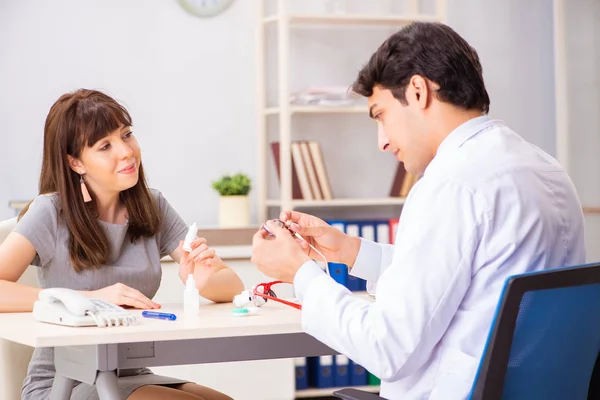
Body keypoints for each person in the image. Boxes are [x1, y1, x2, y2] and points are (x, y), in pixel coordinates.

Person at [251, 22, 586, 400]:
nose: (382, 141)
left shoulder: (450, 184)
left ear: (417, 90)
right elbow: (467, 276)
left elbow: (387, 349)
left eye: (380, 115)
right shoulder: (545, 168)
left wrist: (301, 273)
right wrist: (347, 250)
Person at [0, 89, 244, 400]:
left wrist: (205, 280)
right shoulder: (51, 212)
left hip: (132, 374)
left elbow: (233, 287)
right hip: (64, 383)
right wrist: (90, 299)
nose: (126, 152)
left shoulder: (151, 205)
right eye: (105, 146)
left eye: (126, 135)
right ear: (75, 162)